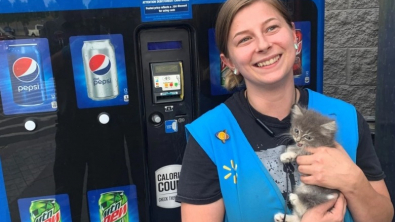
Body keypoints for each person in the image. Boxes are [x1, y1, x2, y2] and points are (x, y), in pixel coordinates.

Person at [175, 0, 394, 221]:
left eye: (271, 28)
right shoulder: (209, 137)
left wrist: (353, 181)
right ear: (229, 61)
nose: (263, 45)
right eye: (244, 39)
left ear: (293, 35)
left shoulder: (346, 119)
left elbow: (383, 217)